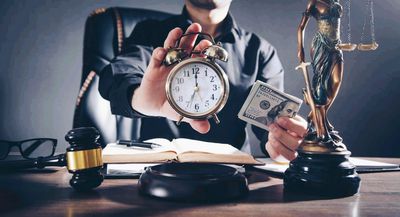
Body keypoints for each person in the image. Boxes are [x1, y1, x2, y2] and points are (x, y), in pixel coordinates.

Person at [99, 0, 307, 161]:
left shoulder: (260, 51)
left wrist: (281, 142)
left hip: (233, 173)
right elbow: (116, 75)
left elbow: (268, 129)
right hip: (160, 170)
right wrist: (139, 99)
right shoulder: (149, 33)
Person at [297, 0, 344, 145]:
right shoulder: (314, 3)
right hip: (321, 45)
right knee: (321, 87)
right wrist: (300, 50)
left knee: (336, 81)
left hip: (336, 45)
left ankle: (315, 115)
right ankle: (322, 129)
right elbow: (301, 27)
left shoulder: (336, 1)